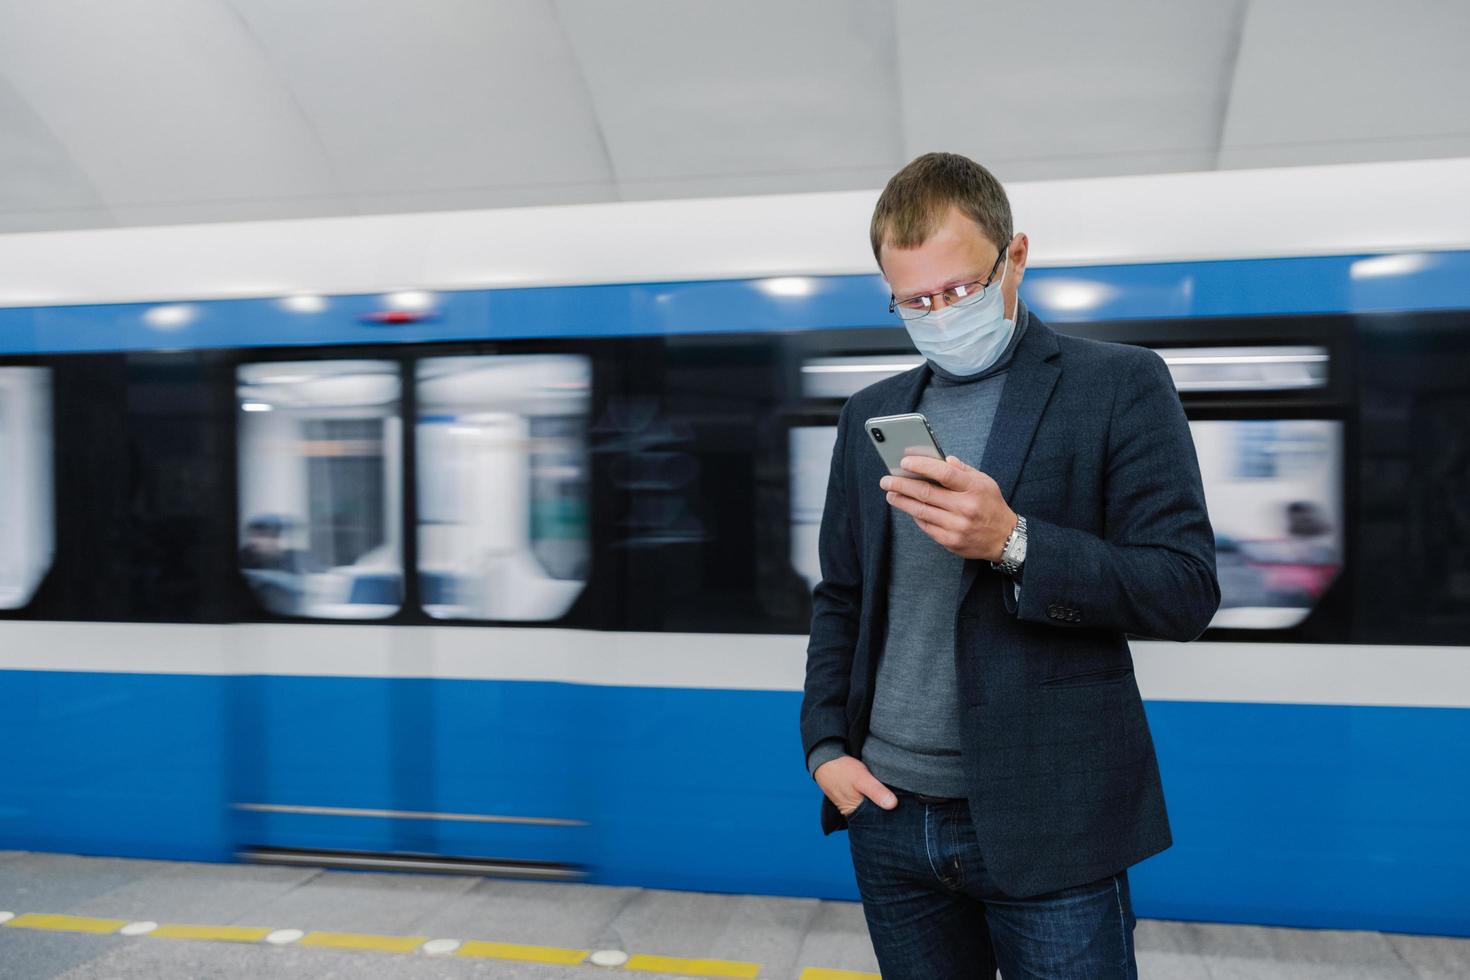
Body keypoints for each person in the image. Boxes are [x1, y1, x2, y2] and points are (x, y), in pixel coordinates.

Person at [799, 152, 1220, 979]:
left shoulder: (1119, 385)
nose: (940, 314)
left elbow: (1184, 589)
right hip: (889, 815)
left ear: (1014, 258)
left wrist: (1014, 541)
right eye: (914, 301)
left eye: (958, 291)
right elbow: (840, 596)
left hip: (1052, 816)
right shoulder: (871, 415)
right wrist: (824, 749)